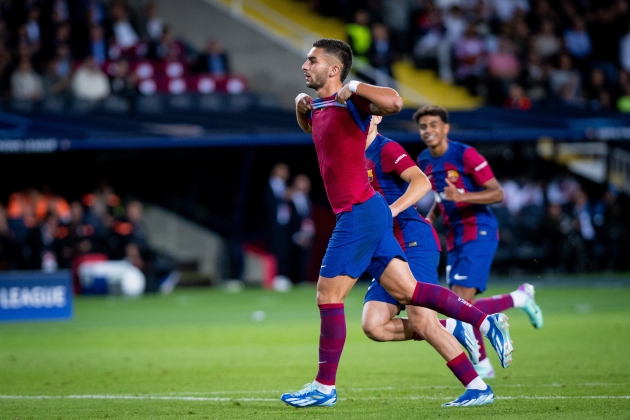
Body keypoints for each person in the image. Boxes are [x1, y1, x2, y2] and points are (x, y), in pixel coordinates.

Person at [281, 38, 513, 409]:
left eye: (312, 60)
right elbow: (315, 132)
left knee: (328, 295)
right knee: (408, 295)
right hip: (364, 213)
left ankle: (324, 388)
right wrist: (299, 106)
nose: (304, 66)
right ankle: (483, 326)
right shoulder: (324, 104)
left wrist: (355, 86)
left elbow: (394, 101)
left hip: (361, 212)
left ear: (335, 69)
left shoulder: (351, 100)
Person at [361, 114, 487, 401]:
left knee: (421, 320)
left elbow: (421, 184)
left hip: (412, 239)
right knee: (373, 325)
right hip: (385, 247)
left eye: (365, 110)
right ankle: (450, 325)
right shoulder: (349, 152)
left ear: (378, 116)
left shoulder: (386, 148)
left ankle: (477, 387)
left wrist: (390, 211)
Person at [414, 105, 543, 379]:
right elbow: (440, 198)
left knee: (459, 302)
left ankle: (515, 304)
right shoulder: (424, 160)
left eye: (434, 125)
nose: (428, 130)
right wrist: (427, 222)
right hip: (454, 236)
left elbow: (497, 194)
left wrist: (462, 197)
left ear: (445, 128)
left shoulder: (465, 154)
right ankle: (485, 358)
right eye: (423, 126)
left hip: (478, 230)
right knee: (458, 306)